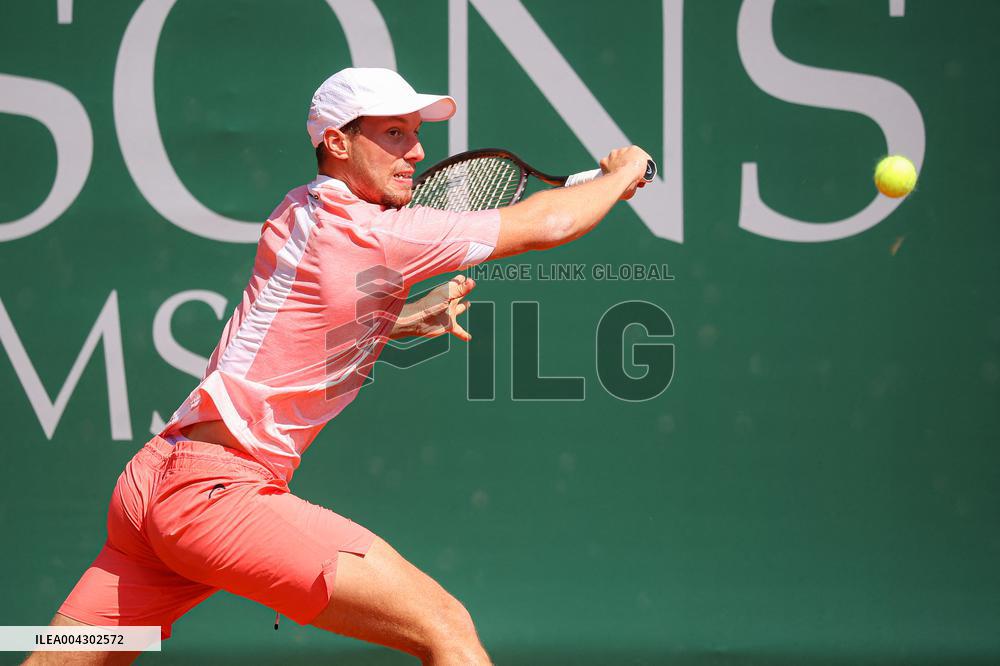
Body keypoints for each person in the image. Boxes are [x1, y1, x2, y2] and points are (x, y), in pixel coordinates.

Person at [25, 67, 652, 666]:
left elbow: (305, 325)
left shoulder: (298, 208)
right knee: (445, 627)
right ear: (336, 142)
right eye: (394, 133)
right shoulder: (377, 234)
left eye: (415, 133)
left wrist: (400, 320)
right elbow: (547, 222)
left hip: (149, 490)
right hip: (215, 498)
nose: (415, 152)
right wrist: (620, 176)